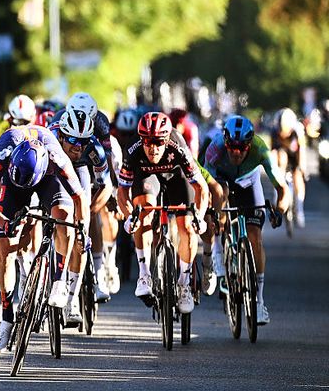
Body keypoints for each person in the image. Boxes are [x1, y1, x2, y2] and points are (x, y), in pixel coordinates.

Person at [0, 125, 86, 352]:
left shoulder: (57, 158)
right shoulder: (4, 152)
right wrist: (3, 223)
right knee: (6, 246)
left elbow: (78, 196)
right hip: (13, 183)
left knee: (64, 218)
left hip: (48, 180)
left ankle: (59, 281)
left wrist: (81, 227)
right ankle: (6, 318)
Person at [118, 112, 209, 315]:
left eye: (159, 142)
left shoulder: (178, 145)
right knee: (144, 212)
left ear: (167, 139)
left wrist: (200, 217)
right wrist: (128, 216)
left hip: (176, 176)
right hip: (147, 176)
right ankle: (144, 275)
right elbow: (122, 190)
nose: (153, 148)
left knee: (186, 226)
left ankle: (184, 285)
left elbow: (201, 188)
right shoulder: (132, 149)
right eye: (148, 142)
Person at [203, 115, 289, 325]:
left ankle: (259, 301)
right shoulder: (214, 149)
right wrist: (212, 213)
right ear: (225, 142)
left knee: (255, 238)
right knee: (220, 197)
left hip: (249, 185)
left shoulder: (261, 149)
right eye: (232, 146)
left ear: (250, 144)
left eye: (242, 148)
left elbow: (282, 188)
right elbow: (206, 185)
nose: (236, 152)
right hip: (221, 183)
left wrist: (279, 210)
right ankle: (218, 252)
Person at [48, 109, 113, 321]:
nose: (78, 146)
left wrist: (88, 211)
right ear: (62, 135)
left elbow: (104, 185)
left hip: (80, 169)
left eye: (83, 141)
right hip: (54, 167)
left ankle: (72, 298)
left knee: (80, 233)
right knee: (59, 216)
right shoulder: (51, 138)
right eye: (73, 140)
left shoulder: (93, 150)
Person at [270, 108, 307, 227]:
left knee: (298, 175)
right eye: (280, 131)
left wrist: (302, 167)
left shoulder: (298, 131)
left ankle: (299, 209)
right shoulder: (274, 131)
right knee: (279, 157)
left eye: (284, 131)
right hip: (283, 153)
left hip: (295, 154)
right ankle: (278, 193)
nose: (282, 134)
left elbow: (302, 151)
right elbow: (272, 152)